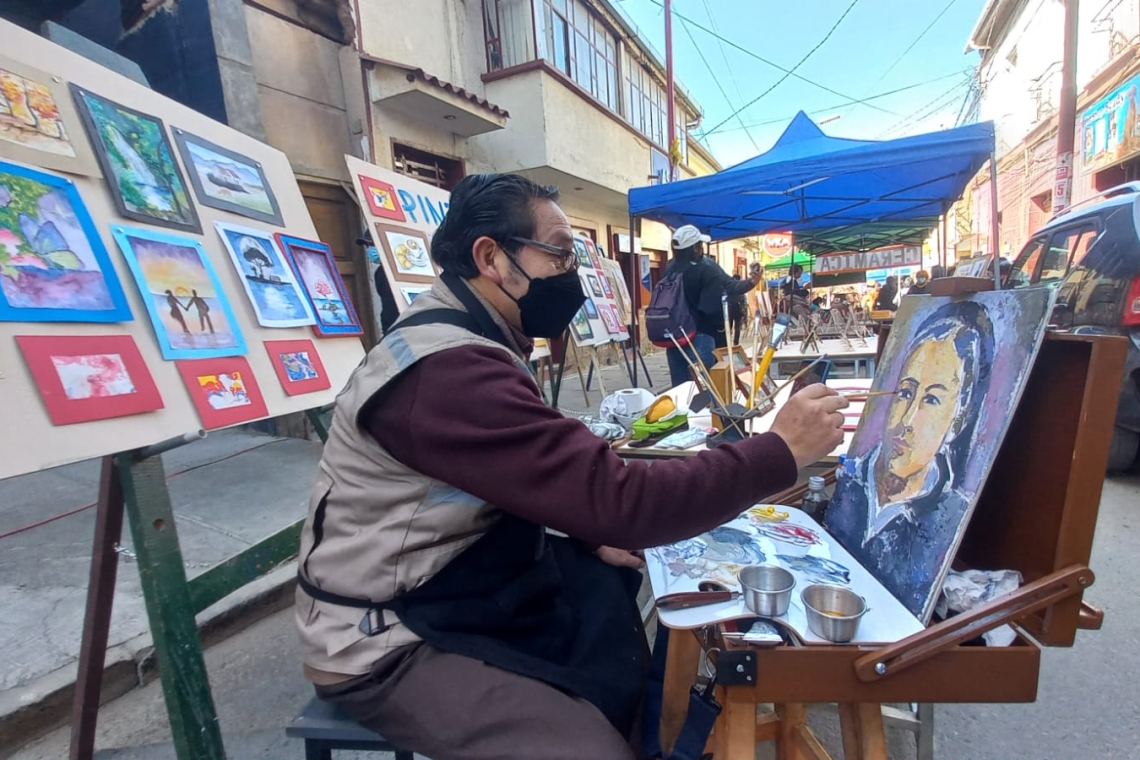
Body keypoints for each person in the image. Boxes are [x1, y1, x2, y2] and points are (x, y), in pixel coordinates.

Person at [295, 174, 848, 760]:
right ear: (492, 257)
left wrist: (591, 529)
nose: (573, 273)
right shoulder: (448, 371)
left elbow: (526, 472)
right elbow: (624, 500)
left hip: (461, 577)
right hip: (386, 638)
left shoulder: (475, 334)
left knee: (618, 594)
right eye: (560, 252)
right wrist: (779, 451)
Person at [824, 300, 995, 616]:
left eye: (931, 399)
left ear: (957, 419)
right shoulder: (852, 478)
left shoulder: (949, 514)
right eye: (905, 392)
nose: (908, 418)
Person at [663, 225, 760, 386]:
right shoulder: (706, 269)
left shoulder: (669, 268)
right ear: (695, 248)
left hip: (675, 338)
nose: (702, 248)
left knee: (679, 391)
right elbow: (718, 304)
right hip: (701, 336)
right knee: (708, 391)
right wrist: (752, 282)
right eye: (700, 244)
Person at [728, 274, 749, 345]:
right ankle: (735, 342)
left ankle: (728, 341)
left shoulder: (729, 288)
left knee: (729, 328)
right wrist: (744, 311)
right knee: (737, 328)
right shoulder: (740, 288)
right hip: (738, 311)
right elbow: (744, 301)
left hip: (729, 311)